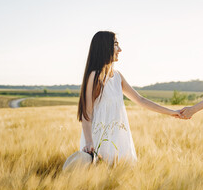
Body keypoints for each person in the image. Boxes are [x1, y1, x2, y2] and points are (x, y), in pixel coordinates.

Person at [77, 31, 180, 165]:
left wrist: (172, 112)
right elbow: (87, 114)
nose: (120, 49)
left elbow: (140, 100)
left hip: (118, 138)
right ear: (104, 47)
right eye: (115, 45)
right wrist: (90, 142)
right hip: (98, 140)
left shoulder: (117, 76)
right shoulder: (95, 76)